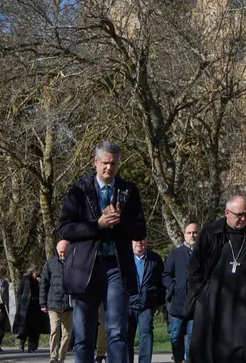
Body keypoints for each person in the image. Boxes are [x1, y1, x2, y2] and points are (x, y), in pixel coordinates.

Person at [58, 140, 147, 363]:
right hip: (84, 269)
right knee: (84, 334)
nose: (109, 168)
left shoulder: (128, 190)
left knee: (117, 331)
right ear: (95, 162)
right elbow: (65, 228)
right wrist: (97, 224)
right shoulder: (79, 190)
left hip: (116, 268)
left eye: (114, 164)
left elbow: (140, 230)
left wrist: (120, 221)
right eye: (105, 163)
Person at [186, 195, 246, 363]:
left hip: (243, 305)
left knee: (244, 352)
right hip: (213, 304)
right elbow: (195, 268)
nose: (243, 218)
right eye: (239, 215)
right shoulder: (210, 233)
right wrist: (203, 294)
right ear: (227, 213)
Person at [163, 222, 198, 363]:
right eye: (189, 233)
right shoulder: (175, 253)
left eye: (195, 232)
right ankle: (178, 359)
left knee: (192, 337)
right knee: (176, 336)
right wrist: (174, 288)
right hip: (178, 304)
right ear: (184, 235)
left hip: (195, 303)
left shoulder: (203, 254)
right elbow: (166, 275)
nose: (192, 235)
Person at [127, 239, 165, 363]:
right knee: (127, 336)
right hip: (128, 304)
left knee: (146, 333)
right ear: (131, 242)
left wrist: (160, 302)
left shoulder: (155, 259)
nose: (139, 243)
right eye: (136, 240)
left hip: (147, 304)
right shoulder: (125, 258)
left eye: (142, 240)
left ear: (147, 242)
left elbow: (161, 282)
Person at [41, 241, 73, 363]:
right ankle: (53, 357)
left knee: (67, 333)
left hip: (69, 305)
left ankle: (61, 357)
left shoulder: (74, 262)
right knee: (54, 330)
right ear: (57, 251)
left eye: (65, 252)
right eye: (60, 252)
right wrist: (42, 303)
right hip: (54, 303)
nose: (63, 254)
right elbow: (44, 284)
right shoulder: (50, 263)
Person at [13, 264, 50, 352]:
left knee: (35, 327)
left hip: (37, 306)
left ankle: (32, 347)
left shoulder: (41, 279)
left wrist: (41, 283)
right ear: (34, 270)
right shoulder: (26, 279)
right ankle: (22, 343)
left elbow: (46, 290)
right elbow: (20, 293)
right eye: (39, 270)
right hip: (26, 305)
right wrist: (19, 305)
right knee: (24, 327)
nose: (40, 272)